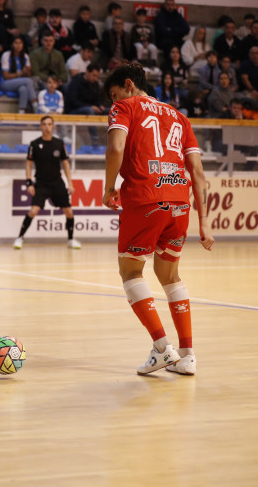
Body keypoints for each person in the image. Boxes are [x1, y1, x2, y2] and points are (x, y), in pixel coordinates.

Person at [102, 60, 214, 375]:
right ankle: (188, 355)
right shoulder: (179, 116)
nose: (114, 102)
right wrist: (204, 222)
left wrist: (109, 188)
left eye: (114, 94)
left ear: (127, 84)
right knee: (170, 276)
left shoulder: (125, 108)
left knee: (131, 273)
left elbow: (115, 148)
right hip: (179, 203)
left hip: (145, 199)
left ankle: (163, 348)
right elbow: (198, 173)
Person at [13, 115, 80, 250]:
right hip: (41, 184)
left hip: (57, 183)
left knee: (69, 212)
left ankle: (71, 239)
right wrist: (29, 183)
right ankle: (19, 238)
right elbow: (28, 165)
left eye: (50, 124)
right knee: (33, 210)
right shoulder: (35, 144)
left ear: (53, 126)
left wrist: (70, 183)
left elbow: (66, 164)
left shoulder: (59, 143)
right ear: (40, 126)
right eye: (44, 124)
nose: (47, 127)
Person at [0, 36, 35, 114]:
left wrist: (27, 71)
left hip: (20, 82)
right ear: (12, 45)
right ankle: (35, 105)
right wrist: (18, 74)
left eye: (20, 43)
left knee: (23, 89)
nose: (18, 45)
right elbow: (5, 76)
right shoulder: (6, 55)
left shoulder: (26, 56)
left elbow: (28, 75)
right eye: (16, 43)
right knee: (28, 81)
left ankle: (21, 112)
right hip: (6, 83)